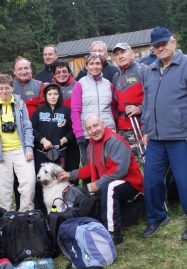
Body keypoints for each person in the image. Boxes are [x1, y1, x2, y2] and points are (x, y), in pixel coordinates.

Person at [141, 27, 187, 241]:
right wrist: (145, 128)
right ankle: (156, 217)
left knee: (186, 180)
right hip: (155, 138)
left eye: (164, 44)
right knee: (151, 180)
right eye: (156, 46)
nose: (160, 48)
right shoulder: (151, 69)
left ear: (174, 42)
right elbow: (147, 102)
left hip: (182, 137)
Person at [58, 115, 144, 245]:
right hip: (112, 182)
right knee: (123, 217)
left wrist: (97, 184)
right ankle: (141, 204)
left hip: (130, 181)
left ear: (103, 124)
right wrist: (70, 175)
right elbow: (90, 168)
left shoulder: (115, 141)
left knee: (108, 188)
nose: (94, 130)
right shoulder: (91, 144)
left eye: (96, 125)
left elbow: (120, 170)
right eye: (89, 128)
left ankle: (113, 234)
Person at [0, 74, 36, 212]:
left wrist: (29, 147)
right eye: (1, 88)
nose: (4, 91)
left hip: (21, 150)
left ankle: (26, 214)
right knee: (3, 188)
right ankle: (8, 220)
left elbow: (27, 126)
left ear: (12, 88)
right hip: (0, 153)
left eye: (7, 88)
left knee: (29, 182)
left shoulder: (19, 104)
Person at [71, 52, 118, 191]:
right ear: (86, 66)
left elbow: (113, 108)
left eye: (98, 63)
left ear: (102, 65)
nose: (95, 66)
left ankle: (110, 195)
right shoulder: (80, 84)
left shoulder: (108, 85)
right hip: (88, 134)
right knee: (89, 167)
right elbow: (75, 111)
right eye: (91, 63)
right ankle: (89, 198)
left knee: (109, 165)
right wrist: (79, 133)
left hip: (107, 132)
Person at [31, 83, 74, 214]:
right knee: (41, 180)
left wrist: (65, 139)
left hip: (59, 152)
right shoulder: (39, 111)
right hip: (42, 151)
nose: (53, 97)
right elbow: (33, 129)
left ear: (60, 95)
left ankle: (60, 208)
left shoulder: (66, 111)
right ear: (45, 96)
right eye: (50, 94)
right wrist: (42, 140)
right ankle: (41, 209)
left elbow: (72, 130)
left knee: (59, 179)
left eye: (55, 94)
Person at [112, 43, 148, 160]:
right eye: (117, 54)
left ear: (131, 53)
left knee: (146, 159)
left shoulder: (142, 71)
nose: (120, 56)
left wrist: (140, 109)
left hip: (141, 126)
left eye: (123, 52)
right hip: (123, 128)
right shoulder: (116, 77)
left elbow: (153, 97)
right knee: (128, 163)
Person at [51, 60, 80, 179]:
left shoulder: (77, 85)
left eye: (64, 71)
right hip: (56, 133)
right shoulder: (49, 88)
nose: (61, 74)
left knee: (73, 165)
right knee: (57, 167)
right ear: (54, 74)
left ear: (69, 73)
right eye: (58, 72)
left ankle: (73, 194)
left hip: (73, 132)